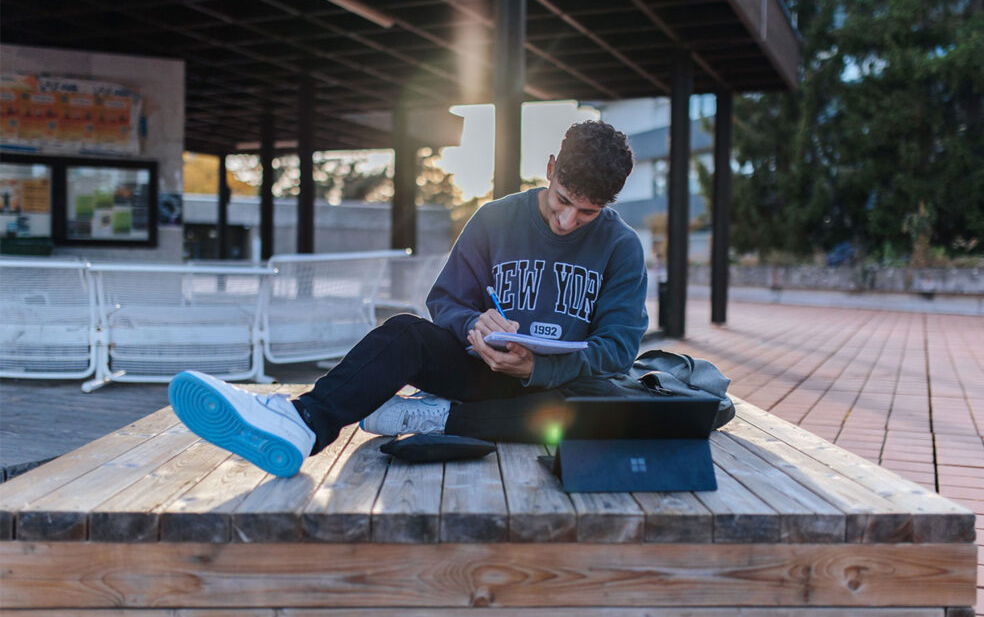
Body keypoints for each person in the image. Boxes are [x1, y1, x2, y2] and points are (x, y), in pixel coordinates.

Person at [169, 121, 648, 477]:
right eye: (563, 199)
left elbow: (619, 348)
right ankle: (302, 422)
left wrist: (538, 367)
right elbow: (446, 300)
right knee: (404, 332)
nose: (567, 221)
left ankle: (433, 415)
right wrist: (473, 326)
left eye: (587, 212)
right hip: (480, 372)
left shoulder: (621, 246)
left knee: (608, 404)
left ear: (609, 204)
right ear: (550, 169)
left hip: (555, 389)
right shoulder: (495, 219)